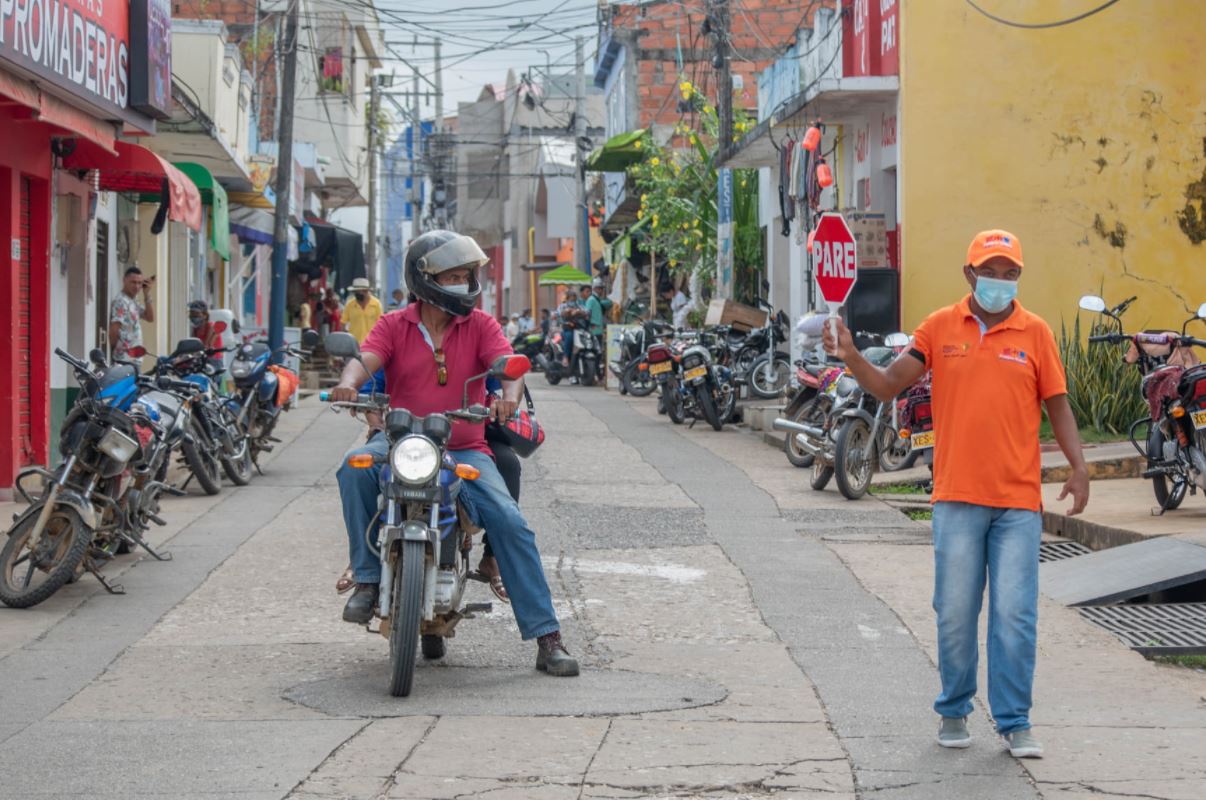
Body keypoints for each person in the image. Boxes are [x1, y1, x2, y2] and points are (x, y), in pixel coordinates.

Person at [822, 229, 1089, 760]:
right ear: (969, 274)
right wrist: (851, 354)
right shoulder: (939, 328)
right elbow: (886, 386)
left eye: (1010, 273)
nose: (1000, 282)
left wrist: (1079, 468)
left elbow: (1057, 404)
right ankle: (954, 710)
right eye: (991, 271)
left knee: (1015, 614)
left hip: (1016, 503)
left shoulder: (1035, 333)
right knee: (954, 611)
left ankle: (1015, 721)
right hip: (957, 498)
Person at [330, 229, 579, 677]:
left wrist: (508, 397)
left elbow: (509, 367)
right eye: (454, 276)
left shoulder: (482, 325)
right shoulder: (393, 324)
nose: (465, 282)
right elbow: (365, 359)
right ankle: (367, 579)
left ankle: (548, 637)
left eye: (468, 275)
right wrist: (349, 384)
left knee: (511, 523)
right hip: (399, 442)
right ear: (425, 279)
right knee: (352, 470)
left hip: (465, 449)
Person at [108, 266, 155, 360]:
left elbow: (150, 318)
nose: (137, 286)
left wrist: (146, 294)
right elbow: (114, 330)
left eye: (139, 283)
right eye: (133, 282)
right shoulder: (121, 301)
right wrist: (117, 352)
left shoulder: (132, 301)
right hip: (124, 359)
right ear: (124, 280)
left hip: (134, 358)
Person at [344, 277, 384, 343]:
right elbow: (343, 323)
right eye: (356, 292)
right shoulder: (350, 305)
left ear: (366, 291)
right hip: (354, 342)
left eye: (360, 291)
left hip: (372, 342)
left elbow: (380, 324)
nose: (358, 294)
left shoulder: (376, 304)